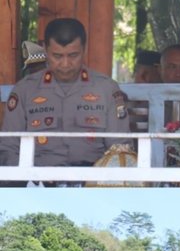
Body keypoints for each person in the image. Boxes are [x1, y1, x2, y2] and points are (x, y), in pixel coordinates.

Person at [0, 17, 130, 168]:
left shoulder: (107, 89)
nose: (66, 64)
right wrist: (27, 181)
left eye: (73, 55)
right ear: (45, 50)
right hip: (38, 182)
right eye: (57, 56)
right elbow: (9, 148)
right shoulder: (24, 91)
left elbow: (120, 149)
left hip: (92, 183)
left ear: (84, 49)